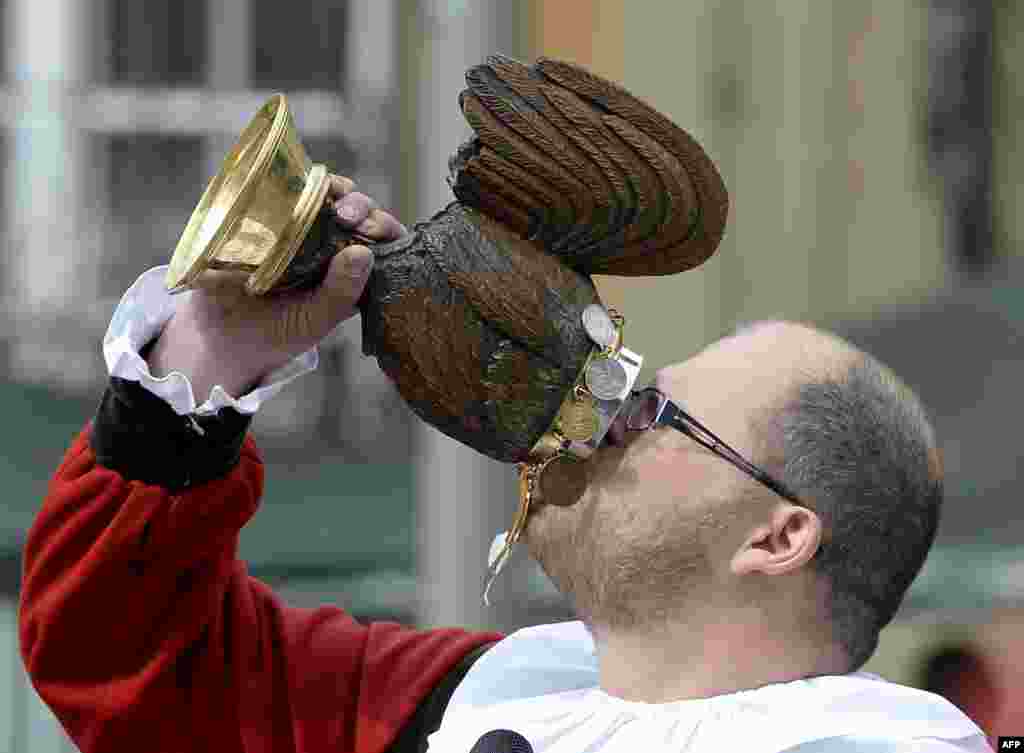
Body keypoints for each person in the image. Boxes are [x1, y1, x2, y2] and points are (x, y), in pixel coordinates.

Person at [19, 178, 991, 752]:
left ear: (777, 534)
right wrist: (213, 352)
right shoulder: (470, 696)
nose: (600, 416)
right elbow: (132, 660)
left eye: (656, 414)